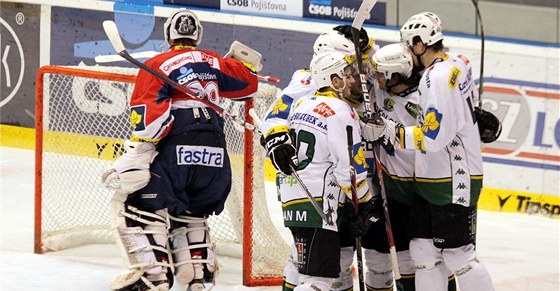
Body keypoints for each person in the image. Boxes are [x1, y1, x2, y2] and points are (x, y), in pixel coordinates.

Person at [100, 9, 260, 291]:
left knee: (138, 204)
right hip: (216, 154)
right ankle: (196, 275)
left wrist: (141, 149)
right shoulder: (214, 61)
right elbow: (248, 85)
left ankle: (152, 277)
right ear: (196, 35)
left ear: (167, 34)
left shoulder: (158, 63)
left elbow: (151, 117)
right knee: (193, 211)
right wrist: (242, 63)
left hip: (177, 149)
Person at [362, 11, 494, 291]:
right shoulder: (459, 62)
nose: (407, 52)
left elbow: (433, 137)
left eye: (410, 45)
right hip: (430, 179)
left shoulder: (435, 79)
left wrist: (392, 133)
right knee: (423, 251)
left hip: (453, 177)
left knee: (460, 256)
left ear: (421, 44)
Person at [260, 27, 376, 291]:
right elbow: (274, 117)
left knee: (334, 260)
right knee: (312, 266)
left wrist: (366, 44)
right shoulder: (305, 82)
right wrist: (277, 138)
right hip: (328, 185)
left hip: (331, 184)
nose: (354, 72)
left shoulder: (337, 89)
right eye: (348, 66)